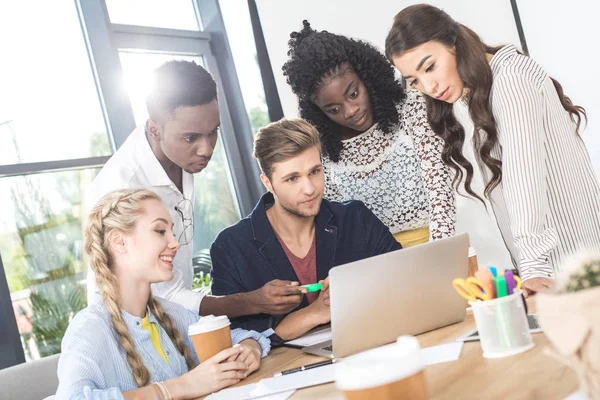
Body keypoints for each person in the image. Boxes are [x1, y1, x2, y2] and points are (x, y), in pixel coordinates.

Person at [385, 4, 600, 296]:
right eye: (415, 81)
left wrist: (533, 266)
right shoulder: (479, 93)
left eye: (430, 66)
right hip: (554, 269)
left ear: (453, 43)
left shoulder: (510, 80)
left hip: (571, 265)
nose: (429, 86)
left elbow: (523, 179)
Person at [88, 60, 306, 318]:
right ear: (154, 130)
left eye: (213, 132)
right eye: (191, 138)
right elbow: (164, 295)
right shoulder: (123, 188)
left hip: (176, 321)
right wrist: (250, 302)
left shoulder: (180, 156)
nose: (207, 149)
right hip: (133, 329)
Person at [57, 189, 270, 399]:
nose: (175, 243)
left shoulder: (170, 314)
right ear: (119, 241)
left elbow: (241, 338)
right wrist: (175, 388)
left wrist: (249, 349)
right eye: (160, 231)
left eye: (172, 232)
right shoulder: (90, 329)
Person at [210, 119, 401, 343]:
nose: (310, 189)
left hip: (370, 344)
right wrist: (316, 313)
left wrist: (358, 288)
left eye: (314, 171)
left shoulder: (356, 218)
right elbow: (233, 337)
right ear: (268, 183)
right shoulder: (231, 248)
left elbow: (403, 280)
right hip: (283, 369)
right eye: (292, 179)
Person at [282, 21, 456, 248]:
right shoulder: (322, 151)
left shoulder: (412, 110)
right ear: (318, 111)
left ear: (367, 75)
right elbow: (337, 228)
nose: (350, 110)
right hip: (371, 264)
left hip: (435, 247)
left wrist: (439, 253)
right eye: (333, 109)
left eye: (353, 93)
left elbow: (440, 192)